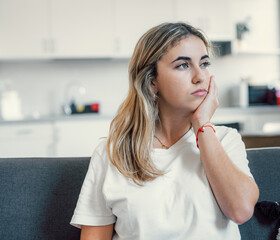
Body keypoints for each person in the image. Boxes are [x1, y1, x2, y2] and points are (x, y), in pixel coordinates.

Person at [70, 22, 259, 240]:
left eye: (204, 63)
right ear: (152, 82)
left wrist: (202, 125)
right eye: (183, 65)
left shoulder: (225, 140)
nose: (200, 76)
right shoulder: (112, 152)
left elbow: (241, 210)